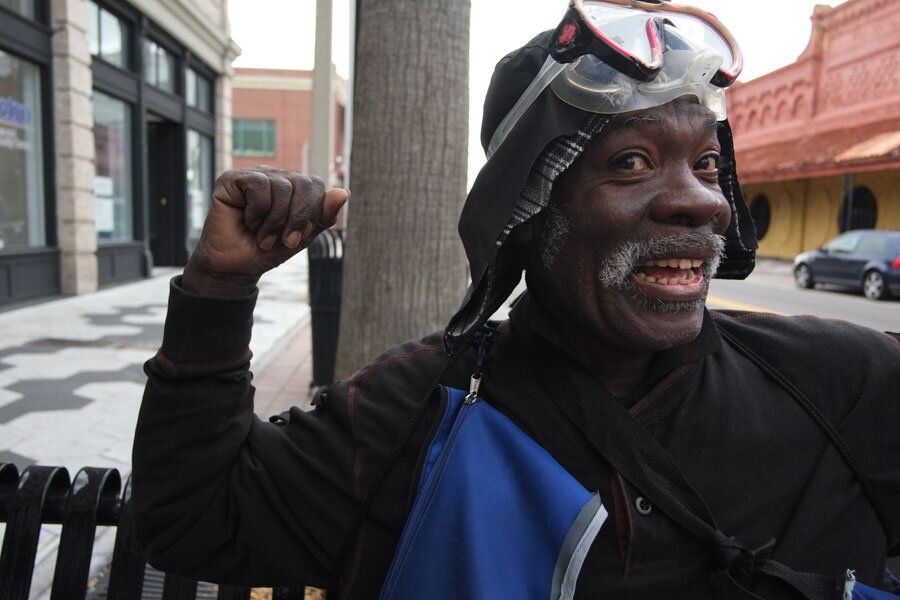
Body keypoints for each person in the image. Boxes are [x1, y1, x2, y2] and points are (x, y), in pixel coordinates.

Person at [131, 1, 900, 599]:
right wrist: (218, 290)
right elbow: (194, 519)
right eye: (632, 162)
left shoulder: (841, 383)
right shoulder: (418, 413)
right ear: (527, 215)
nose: (701, 202)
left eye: (705, 163)